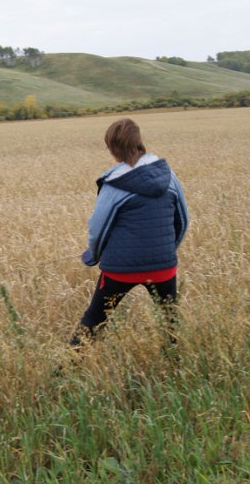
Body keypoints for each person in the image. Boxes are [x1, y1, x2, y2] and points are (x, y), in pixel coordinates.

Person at [70, 118, 189, 347]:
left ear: (113, 150)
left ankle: (63, 372)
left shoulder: (114, 184)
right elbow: (183, 221)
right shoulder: (170, 177)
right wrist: (166, 251)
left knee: (93, 320)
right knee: (170, 320)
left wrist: (93, 256)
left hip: (120, 271)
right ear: (139, 143)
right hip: (163, 268)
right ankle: (175, 368)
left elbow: (98, 229)